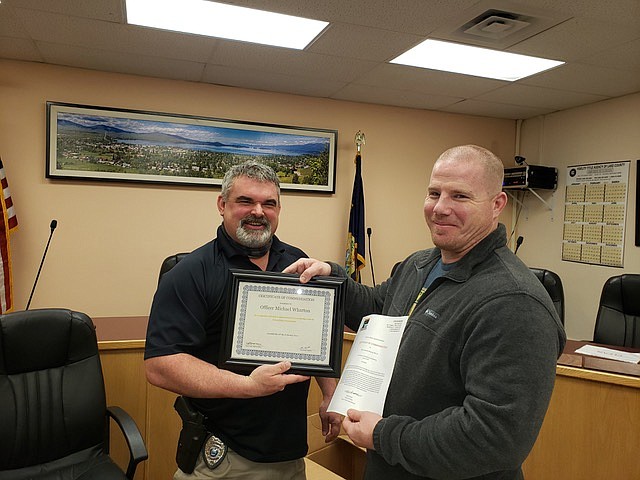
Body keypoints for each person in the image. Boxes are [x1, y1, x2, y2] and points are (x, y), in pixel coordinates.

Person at [284, 145, 566, 480]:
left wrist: (384, 435)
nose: (440, 208)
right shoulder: (421, 264)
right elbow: (378, 308)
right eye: (434, 193)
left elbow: (495, 437)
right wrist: (332, 278)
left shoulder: (515, 302)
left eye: (460, 196)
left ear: (497, 205)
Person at [145, 161, 341, 480]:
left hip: (289, 453)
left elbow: (319, 335)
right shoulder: (190, 273)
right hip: (225, 457)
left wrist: (331, 392)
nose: (258, 211)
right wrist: (248, 386)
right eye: (246, 201)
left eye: (269, 203)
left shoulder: (297, 262)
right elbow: (160, 365)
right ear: (222, 205)